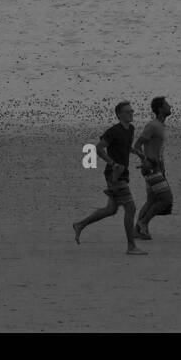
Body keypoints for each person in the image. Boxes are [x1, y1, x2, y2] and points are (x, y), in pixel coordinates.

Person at [73, 102, 147, 255]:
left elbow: (125, 147)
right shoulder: (113, 131)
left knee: (111, 209)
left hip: (123, 174)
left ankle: (80, 224)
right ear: (119, 114)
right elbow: (98, 148)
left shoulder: (131, 129)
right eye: (127, 112)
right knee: (131, 208)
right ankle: (131, 247)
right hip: (114, 174)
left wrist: (137, 153)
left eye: (131, 111)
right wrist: (112, 163)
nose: (131, 114)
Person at [131, 96, 173, 240]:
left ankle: (137, 230)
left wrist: (163, 168)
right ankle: (143, 222)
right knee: (166, 200)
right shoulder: (153, 125)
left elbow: (158, 150)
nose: (170, 106)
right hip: (151, 169)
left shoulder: (161, 126)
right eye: (167, 104)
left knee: (152, 200)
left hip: (158, 169)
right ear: (160, 108)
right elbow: (136, 146)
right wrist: (145, 159)